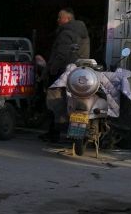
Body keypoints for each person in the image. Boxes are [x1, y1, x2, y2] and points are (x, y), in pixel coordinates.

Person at [36, 8, 91, 142]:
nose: (58, 20)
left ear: (68, 19)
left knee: (54, 100)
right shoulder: (82, 31)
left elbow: (61, 55)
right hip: (79, 73)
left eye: (60, 17)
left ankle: (54, 131)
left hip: (63, 72)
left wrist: (51, 70)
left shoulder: (66, 33)